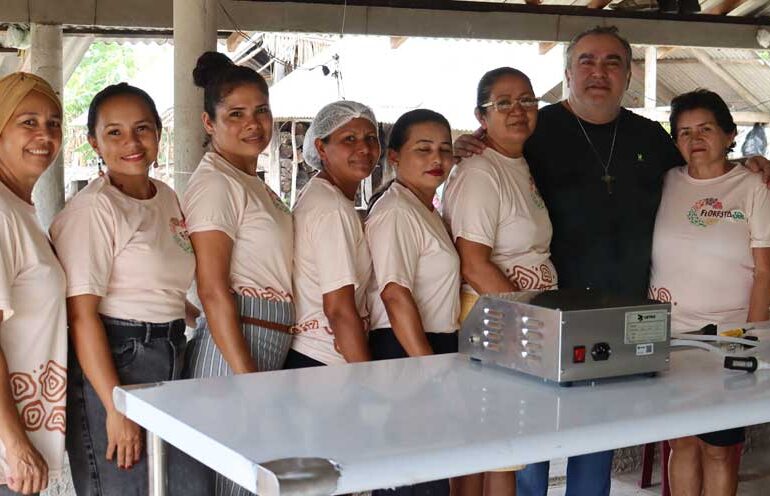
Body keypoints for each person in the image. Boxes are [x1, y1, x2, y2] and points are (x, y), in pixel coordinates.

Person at [453, 26, 770, 496]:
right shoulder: (536, 130)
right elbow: (495, 156)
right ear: (567, 73)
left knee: (598, 441)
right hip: (544, 318)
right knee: (527, 445)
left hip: (623, 318)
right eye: (586, 61)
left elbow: (704, 169)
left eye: (612, 62)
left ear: (628, 75)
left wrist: (754, 164)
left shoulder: (651, 137)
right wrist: (463, 146)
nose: (598, 72)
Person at [50, 83, 207, 495]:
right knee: (126, 487)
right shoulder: (94, 209)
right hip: (119, 358)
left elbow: (157, 280)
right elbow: (82, 316)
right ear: (94, 142)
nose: (132, 143)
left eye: (142, 129)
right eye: (114, 133)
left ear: (158, 132)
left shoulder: (166, 196)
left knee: (186, 486)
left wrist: (192, 314)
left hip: (171, 352)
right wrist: (114, 405)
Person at [182, 52, 294, 495]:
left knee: (250, 479)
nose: (253, 124)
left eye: (261, 110)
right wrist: (246, 375)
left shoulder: (250, 180)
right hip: (234, 346)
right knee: (232, 482)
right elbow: (212, 289)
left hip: (262, 339)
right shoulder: (216, 183)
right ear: (209, 123)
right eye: (236, 114)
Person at [443, 67, 557, 496]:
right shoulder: (480, 172)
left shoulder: (516, 162)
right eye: (503, 103)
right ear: (481, 115)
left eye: (527, 100)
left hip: (515, 319)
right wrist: (531, 323)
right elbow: (474, 264)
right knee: (494, 450)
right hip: (495, 319)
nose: (518, 111)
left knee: (497, 449)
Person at [650, 89, 770, 496]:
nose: (695, 139)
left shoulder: (754, 186)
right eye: (684, 132)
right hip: (671, 337)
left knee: (719, 450)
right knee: (681, 442)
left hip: (729, 338)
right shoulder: (666, 181)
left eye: (705, 129)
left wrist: (752, 339)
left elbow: (765, 270)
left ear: (729, 134)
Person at [0, 72, 66, 496]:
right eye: (28, 122)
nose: (45, 134)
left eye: (53, 123)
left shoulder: (20, 210)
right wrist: (15, 445)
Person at [287, 101, 379, 369]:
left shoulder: (322, 194)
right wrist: (367, 377)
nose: (364, 148)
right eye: (349, 139)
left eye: (371, 138)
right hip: (325, 358)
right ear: (320, 147)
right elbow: (338, 309)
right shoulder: (332, 209)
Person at [367, 109, 460, 365]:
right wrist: (428, 366)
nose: (437, 159)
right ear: (394, 156)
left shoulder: (423, 209)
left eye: (445, 149)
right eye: (423, 149)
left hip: (430, 343)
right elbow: (394, 294)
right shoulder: (397, 211)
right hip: (407, 346)